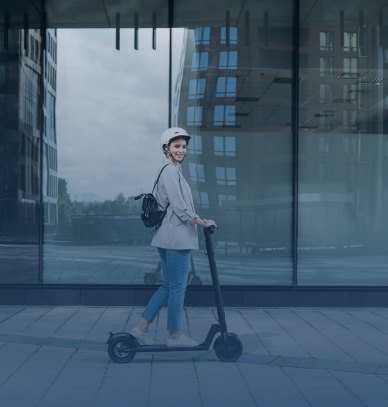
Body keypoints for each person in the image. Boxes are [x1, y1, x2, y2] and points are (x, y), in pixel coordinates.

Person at [131, 127, 216, 347]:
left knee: (169, 286)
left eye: (184, 147)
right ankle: (174, 336)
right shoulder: (169, 171)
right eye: (176, 146)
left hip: (168, 236)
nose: (181, 150)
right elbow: (180, 208)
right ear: (166, 148)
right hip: (175, 238)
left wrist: (198, 219)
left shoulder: (173, 170)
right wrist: (202, 221)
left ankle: (141, 329)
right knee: (177, 287)